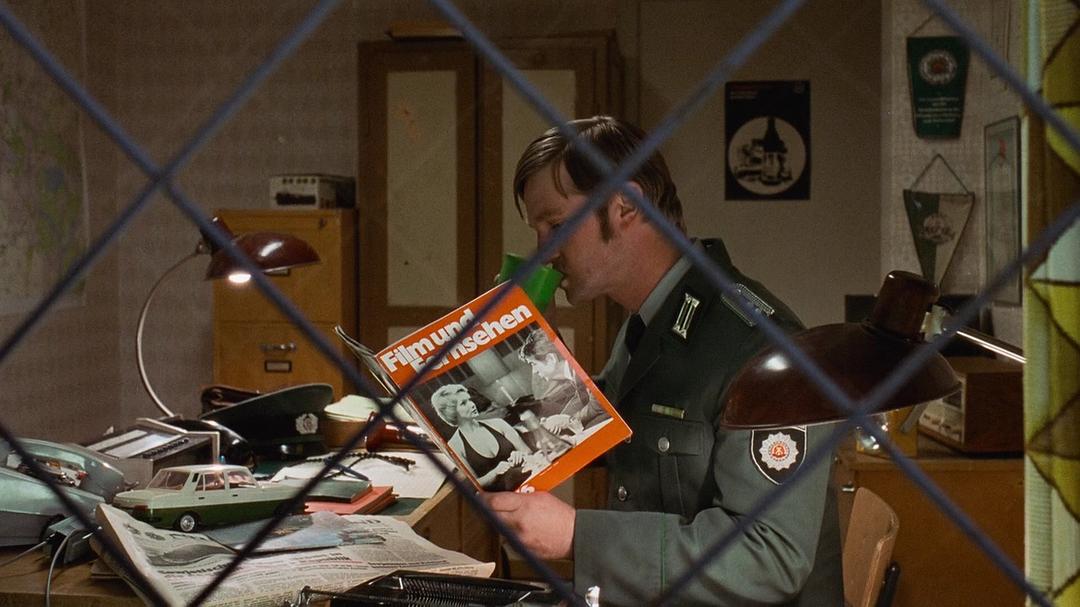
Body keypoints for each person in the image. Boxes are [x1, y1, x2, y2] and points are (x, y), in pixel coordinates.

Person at [481, 116, 843, 606]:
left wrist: (578, 536)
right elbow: (593, 430)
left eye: (557, 225)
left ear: (626, 205)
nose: (544, 253)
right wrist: (516, 346)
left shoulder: (763, 349)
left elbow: (770, 557)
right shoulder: (652, 321)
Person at [430, 383, 533, 491]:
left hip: (526, 479)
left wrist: (520, 455)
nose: (472, 405)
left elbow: (527, 451)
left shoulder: (498, 423)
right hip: (501, 493)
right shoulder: (455, 445)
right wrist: (495, 472)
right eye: (464, 403)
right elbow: (474, 484)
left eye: (469, 400)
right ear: (452, 412)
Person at [517, 328, 606, 434]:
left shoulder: (583, 372)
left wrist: (568, 420)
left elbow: (598, 405)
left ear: (551, 359)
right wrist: (557, 418)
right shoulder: (573, 373)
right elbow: (580, 396)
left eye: (533, 364)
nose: (535, 371)